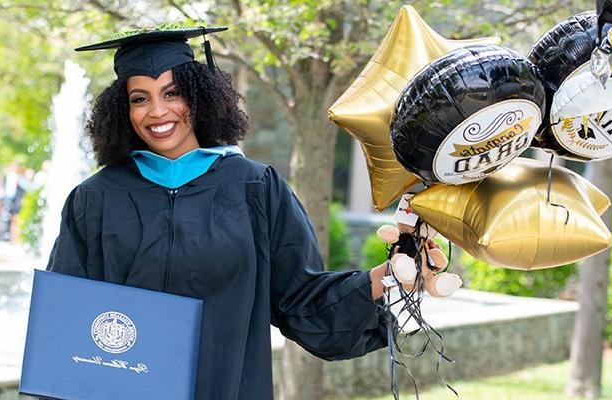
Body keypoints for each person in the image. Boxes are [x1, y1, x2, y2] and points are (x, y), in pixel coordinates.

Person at [48, 26, 392, 399]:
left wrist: (383, 279)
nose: (158, 111)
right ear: (122, 110)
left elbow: (302, 300)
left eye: (172, 93)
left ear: (198, 96)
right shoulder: (95, 199)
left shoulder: (256, 189)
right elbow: (66, 321)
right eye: (139, 99)